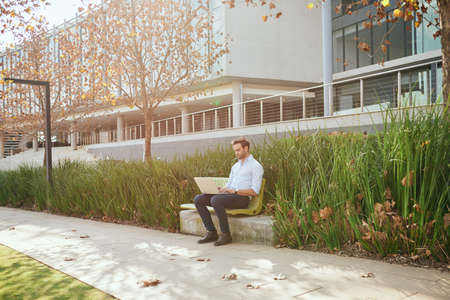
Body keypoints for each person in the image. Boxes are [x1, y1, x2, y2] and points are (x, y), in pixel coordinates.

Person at [194, 137, 264, 246]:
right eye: (235, 150)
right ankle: (211, 232)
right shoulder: (235, 167)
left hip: (242, 199)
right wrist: (221, 189)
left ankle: (226, 234)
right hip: (229, 196)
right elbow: (229, 184)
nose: (236, 153)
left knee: (216, 200)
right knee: (199, 199)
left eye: (238, 150)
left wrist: (235, 191)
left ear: (246, 148)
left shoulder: (255, 166)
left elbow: (255, 191)